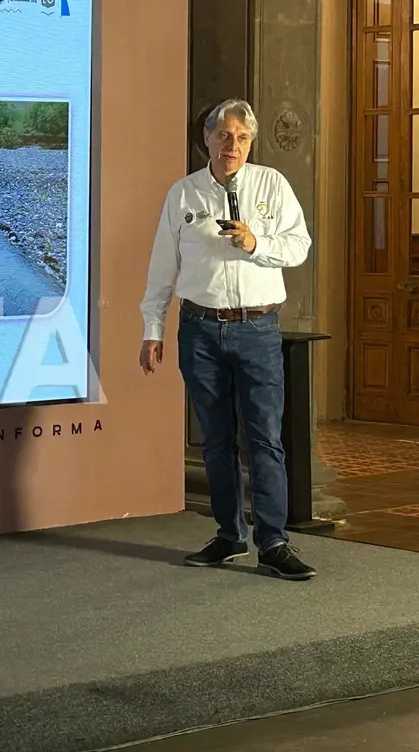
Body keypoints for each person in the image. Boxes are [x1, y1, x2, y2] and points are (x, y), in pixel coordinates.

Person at [138, 98, 316, 580]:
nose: (231, 145)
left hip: (257, 328)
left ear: (251, 142)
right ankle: (229, 535)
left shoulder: (272, 185)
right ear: (207, 141)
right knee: (215, 441)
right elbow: (162, 267)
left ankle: (274, 541)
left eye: (240, 137)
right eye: (223, 136)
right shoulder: (183, 194)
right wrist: (152, 328)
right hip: (199, 330)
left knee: (265, 438)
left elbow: (299, 246)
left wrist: (256, 244)